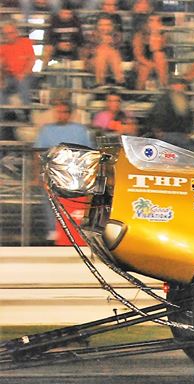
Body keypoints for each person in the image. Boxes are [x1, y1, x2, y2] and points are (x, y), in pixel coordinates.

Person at [33, 100, 94, 241]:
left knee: (76, 201)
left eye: (64, 112)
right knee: (50, 199)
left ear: (70, 114)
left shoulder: (80, 130)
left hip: (75, 173)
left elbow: (90, 152)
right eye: (59, 112)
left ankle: (76, 229)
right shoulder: (46, 130)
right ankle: (53, 229)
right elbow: (37, 153)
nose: (61, 115)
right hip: (52, 172)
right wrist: (37, 175)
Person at [143, 77, 193, 149]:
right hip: (167, 132)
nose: (181, 86)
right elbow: (156, 115)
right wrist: (158, 130)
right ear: (172, 86)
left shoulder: (184, 99)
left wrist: (188, 131)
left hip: (180, 133)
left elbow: (188, 116)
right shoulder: (163, 100)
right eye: (178, 84)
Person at [41, 5, 84, 86]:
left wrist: (72, 45)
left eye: (69, 14)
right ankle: (43, 73)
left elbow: (80, 40)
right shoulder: (53, 21)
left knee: (83, 49)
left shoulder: (76, 21)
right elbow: (49, 38)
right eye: (64, 13)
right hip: (56, 48)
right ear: (60, 13)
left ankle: (83, 75)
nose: (66, 16)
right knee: (47, 48)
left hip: (73, 48)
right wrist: (57, 45)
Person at [0, 22, 35, 114]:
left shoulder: (26, 42)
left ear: (16, 33)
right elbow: (1, 66)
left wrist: (23, 74)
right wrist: (1, 79)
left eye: (10, 33)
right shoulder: (2, 46)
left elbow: (31, 61)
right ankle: (6, 114)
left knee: (22, 82)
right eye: (5, 34)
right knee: (1, 87)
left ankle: (26, 112)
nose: (8, 36)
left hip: (27, 75)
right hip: (9, 77)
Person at [133, 13, 169, 89]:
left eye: (158, 21)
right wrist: (151, 65)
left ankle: (164, 87)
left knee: (160, 57)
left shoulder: (163, 35)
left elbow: (160, 51)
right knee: (144, 69)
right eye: (151, 21)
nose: (155, 23)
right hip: (141, 62)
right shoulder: (139, 35)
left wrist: (155, 35)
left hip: (158, 61)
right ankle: (139, 92)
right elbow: (138, 56)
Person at [88, 14, 125, 87]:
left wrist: (111, 42)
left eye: (107, 25)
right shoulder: (92, 36)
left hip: (114, 62)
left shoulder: (117, 36)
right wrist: (101, 41)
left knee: (109, 51)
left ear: (112, 26)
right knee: (103, 50)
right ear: (97, 26)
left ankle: (101, 82)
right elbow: (89, 53)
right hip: (94, 62)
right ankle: (119, 80)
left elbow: (120, 50)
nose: (104, 27)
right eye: (101, 25)